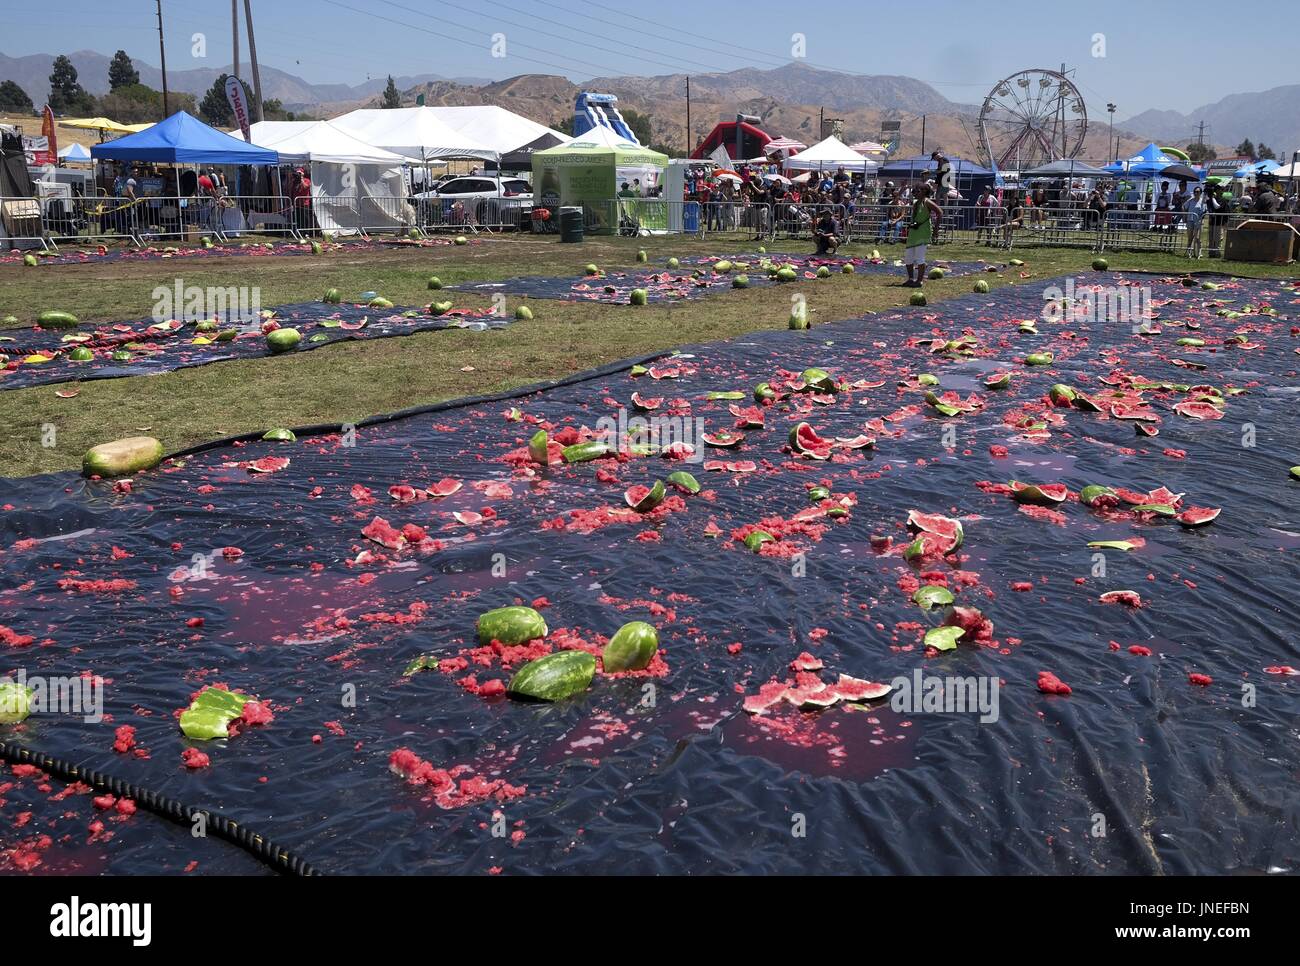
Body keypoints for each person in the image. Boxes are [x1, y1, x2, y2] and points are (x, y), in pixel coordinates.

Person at [902, 183, 941, 286]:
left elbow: (940, 212)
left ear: (924, 192)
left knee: (920, 257)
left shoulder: (927, 202)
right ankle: (910, 279)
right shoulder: (916, 203)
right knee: (908, 257)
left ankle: (919, 281)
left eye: (918, 191)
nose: (915, 192)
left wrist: (936, 229)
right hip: (914, 232)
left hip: (923, 232)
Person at [1184, 185, 1207, 258]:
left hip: (1198, 221)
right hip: (1190, 220)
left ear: (1200, 193)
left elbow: (1204, 211)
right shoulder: (1190, 200)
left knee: (1197, 238)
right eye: (1195, 192)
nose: (1196, 193)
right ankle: (1189, 252)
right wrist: (1184, 216)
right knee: (1190, 237)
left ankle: (1199, 252)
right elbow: (1184, 206)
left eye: (1197, 192)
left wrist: (1201, 218)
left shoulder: (1202, 201)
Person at [290, 167, 313, 234]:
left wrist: (302, 178)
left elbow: (305, 187)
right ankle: (299, 232)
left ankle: (306, 233)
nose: (298, 174)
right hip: (296, 203)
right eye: (297, 173)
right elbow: (292, 191)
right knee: (298, 219)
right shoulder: (294, 181)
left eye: (299, 173)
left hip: (305, 203)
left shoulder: (307, 180)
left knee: (305, 219)